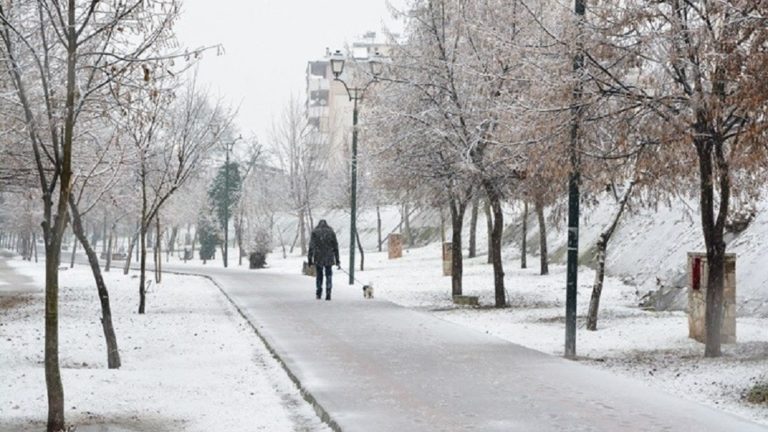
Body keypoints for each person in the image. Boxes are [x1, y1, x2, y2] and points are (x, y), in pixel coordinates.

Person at [307, 220, 340, 300]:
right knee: (329, 274)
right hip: (329, 256)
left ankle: (319, 292)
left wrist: (310, 259)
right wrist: (337, 259)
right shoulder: (331, 232)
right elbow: (335, 246)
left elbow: (311, 246)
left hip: (318, 256)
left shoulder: (315, 232)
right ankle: (328, 292)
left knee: (319, 275)